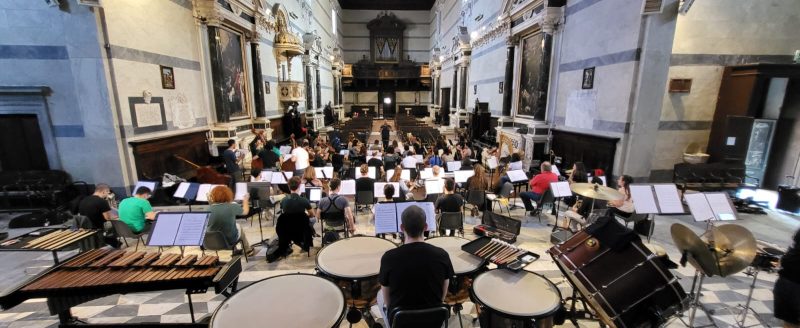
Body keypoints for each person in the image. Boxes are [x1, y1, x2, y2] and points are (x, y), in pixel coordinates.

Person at [377, 205, 454, 326]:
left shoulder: (389, 257)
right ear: (426, 227)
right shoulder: (442, 255)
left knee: (380, 296)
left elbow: (388, 302)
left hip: (401, 322)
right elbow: (442, 296)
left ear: (402, 228)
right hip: (434, 320)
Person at [206, 186, 254, 256]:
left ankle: (235, 250)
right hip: (229, 241)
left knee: (223, 227)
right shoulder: (232, 206)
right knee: (238, 226)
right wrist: (245, 200)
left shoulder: (208, 209)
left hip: (210, 242)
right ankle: (247, 250)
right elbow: (245, 212)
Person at [774, 228, 800, 327]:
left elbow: (785, 261)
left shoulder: (793, 252)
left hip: (785, 284)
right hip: (792, 287)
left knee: (790, 323)